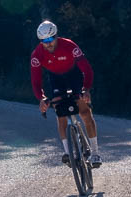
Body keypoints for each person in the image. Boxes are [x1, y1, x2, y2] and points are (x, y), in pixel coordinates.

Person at [30, 20, 101, 167]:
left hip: (73, 75)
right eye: (44, 41)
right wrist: (41, 98)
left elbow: (87, 69)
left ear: (56, 36)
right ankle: (68, 153)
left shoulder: (69, 45)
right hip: (56, 79)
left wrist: (86, 89)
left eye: (50, 39)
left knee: (85, 112)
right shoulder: (37, 54)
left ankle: (95, 153)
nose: (48, 43)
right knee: (60, 112)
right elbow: (36, 81)